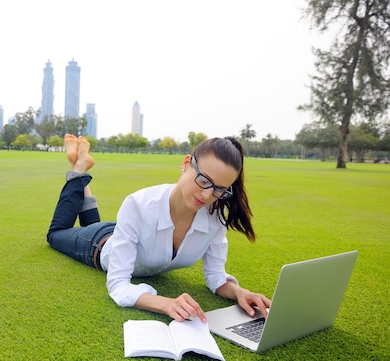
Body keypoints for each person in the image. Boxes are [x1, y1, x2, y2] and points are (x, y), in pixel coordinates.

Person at [46, 134, 271, 323]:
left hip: (123, 233)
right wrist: (166, 304)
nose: (207, 195)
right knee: (56, 234)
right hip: (97, 244)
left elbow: (216, 277)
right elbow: (117, 285)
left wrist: (240, 292)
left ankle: (82, 173)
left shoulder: (215, 218)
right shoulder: (139, 204)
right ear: (186, 164)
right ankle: (78, 170)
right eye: (203, 180)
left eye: (219, 190)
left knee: (93, 223)